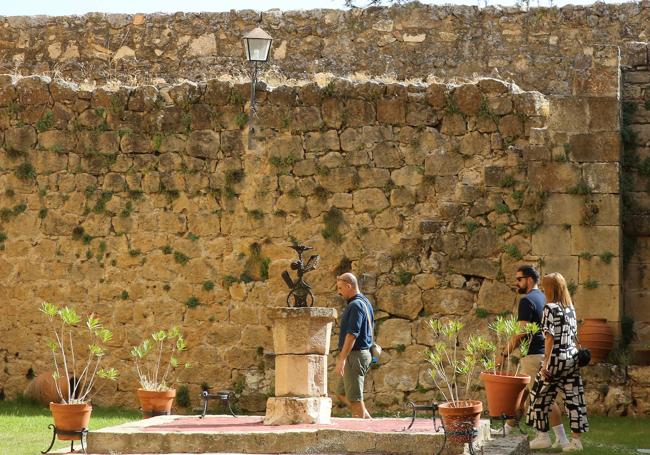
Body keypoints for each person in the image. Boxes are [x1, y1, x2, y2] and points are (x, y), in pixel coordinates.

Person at [496, 265, 563, 437]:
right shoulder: (542, 297)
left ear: (530, 279)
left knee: (544, 398)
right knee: (522, 395)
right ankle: (508, 429)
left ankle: (558, 439)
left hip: (533, 356)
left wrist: (504, 354)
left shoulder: (526, 301)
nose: (516, 283)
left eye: (519, 279)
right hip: (538, 354)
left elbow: (520, 333)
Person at [526, 272, 589, 452]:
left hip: (555, 359)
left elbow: (549, 339)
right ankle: (576, 442)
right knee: (574, 399)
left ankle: (542, 437)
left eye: (545, 287)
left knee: (538, 396)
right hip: (572, 358)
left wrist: (545, 365)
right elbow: (573, 335)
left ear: (550, 288)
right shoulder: (570, 308)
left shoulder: (550, 308)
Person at [334, 272, 373, 419]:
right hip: (360, 355)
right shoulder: (364, 302)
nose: (339, 292)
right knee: (341, 393)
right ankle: (366, 418)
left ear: (349, 286)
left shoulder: (355, 305)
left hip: (355, 356)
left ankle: (364, 430)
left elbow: (352, 335)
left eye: (340, 288)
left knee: (355, 399)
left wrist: (342, 359)